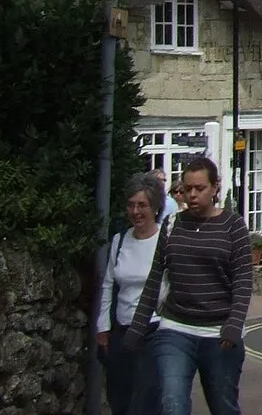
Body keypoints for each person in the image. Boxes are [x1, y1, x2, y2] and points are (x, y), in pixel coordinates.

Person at [129, 158, 252, 415]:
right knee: (172, 403)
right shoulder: (173, 224)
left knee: (223, 407)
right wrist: (137, 328)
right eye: (187, 189)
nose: (192, 195)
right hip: (175, 329)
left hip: (219, 335)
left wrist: (233, 325)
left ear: (215, 187)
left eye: (200, 188)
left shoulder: (233, 226)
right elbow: (155, 278)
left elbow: (243, 281)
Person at [97, 174, 166, 415]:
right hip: (122, 330)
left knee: (147, 399)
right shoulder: (120, 240)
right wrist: (103, 328)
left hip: (154, 329)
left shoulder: (165, 241)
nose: (135, 211)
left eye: (142, 205)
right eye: (131, 205)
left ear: (156, 208)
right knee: (120, 397)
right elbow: (108, 285)